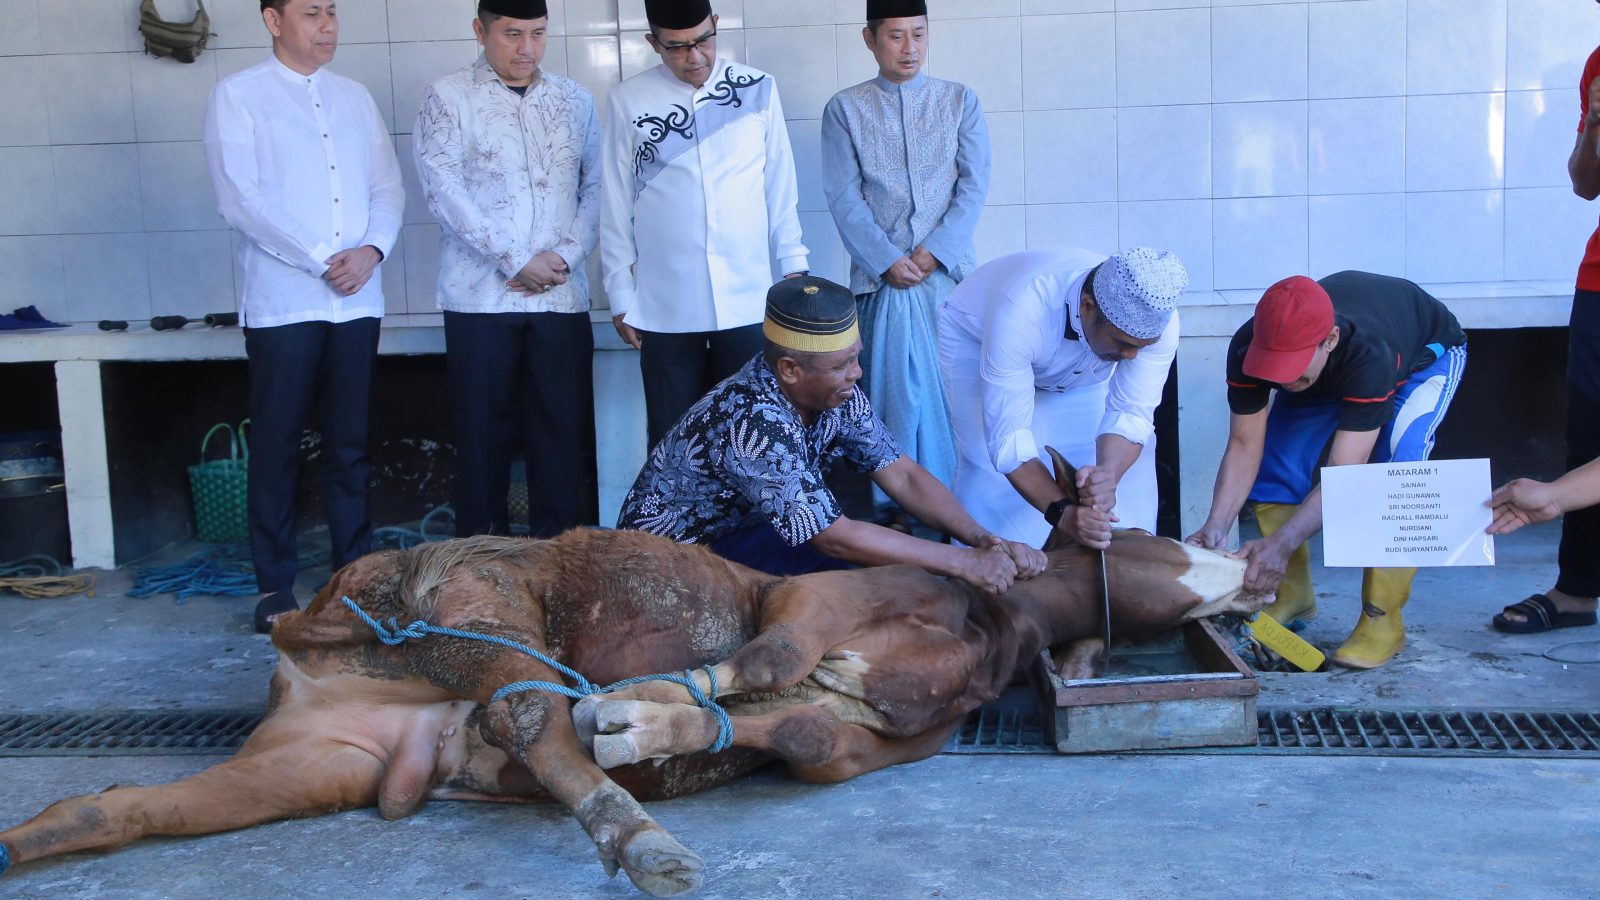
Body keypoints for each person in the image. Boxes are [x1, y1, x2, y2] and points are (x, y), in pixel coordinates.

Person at [617, 276, 1045, 595]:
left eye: (855, 359)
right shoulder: (754, 422)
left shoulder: (839, 394)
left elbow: (904, 475)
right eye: (841, 366)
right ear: (790, 369)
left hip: (749, 533)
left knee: (885, 581)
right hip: (672, 564)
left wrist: (984, 539)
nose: (856, 374)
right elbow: (833, 536)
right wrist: (962, 563)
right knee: (858, 594)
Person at [203, 0, 404, 633]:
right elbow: (241, 199)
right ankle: (274, 586)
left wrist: (371, 250)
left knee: (349, 445)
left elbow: (387, 187)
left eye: (333, 13)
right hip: (284, 301)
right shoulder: (239, 96)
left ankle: (355, 579)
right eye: (312, 13)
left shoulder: (354, 97)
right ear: (272, 20)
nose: (328, 26)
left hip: (356, 298)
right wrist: (323, 259)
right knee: (278, 441)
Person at [1186, 272, 1467, 669]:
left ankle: (1382, 621)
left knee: (1396, 479)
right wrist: (1216, 527)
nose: (1282, 379)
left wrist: (1279, 546)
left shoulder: (1370, 353)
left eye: (1293, 366)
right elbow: (1245, 444)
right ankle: (1288, 596)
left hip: (1422, 357)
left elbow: (1345, 474)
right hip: (1331, 371)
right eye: (1274, 366)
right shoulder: (1250, 348)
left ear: (1330, 339)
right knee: (1276, 464)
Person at [414, 0, 601, 538]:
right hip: (480, 301)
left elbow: (597, 189)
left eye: (538, 34)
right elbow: (442, 190)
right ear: (481, 31)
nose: (527, 49)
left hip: (561, 299)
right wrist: (515, 259)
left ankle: (560, 563)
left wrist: (564, 256)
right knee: (481, 436)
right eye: (512, 34)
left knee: (561, 435)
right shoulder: (447, 97)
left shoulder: (574, 100)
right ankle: (482, 570)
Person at [599, 0, 810, 449]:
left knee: (752, 436)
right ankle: (669, 524)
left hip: (747, 298)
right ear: (652, 43)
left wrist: (794, 265)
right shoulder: (627, 100)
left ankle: (746, 523)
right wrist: (620, 292)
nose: (695, 58)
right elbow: (615, 202)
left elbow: (780, 184)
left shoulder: (757, 88)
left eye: (703, 41)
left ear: (716, 25)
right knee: (673, 442)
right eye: (676, 48)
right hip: (664, 304)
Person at [821, 0, 989, 519]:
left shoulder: (959, 100)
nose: (909, 47)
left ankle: (960, 520)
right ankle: (896, 521)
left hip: (950, 282)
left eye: (918, 34)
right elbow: (843, 197)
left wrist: (934, 252)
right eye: (896, 36)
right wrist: (887, 259)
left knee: (956, 401)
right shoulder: (844, 109)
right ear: (870, 40)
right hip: (884, 286)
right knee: (896, 400)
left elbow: (974, 185)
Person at [938, 247, 1186, 552]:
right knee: (986, 467)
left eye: (1142, 348)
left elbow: (1131, 414)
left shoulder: (1160, 321)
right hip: (975, 339)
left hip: (1080, 359)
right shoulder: (1022, 311)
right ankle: (991, 581)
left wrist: (1107, 477)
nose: (1131, 357)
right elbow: (1008, 441)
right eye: (1123, 343)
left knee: (1118, 464)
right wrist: (1064, 516)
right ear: (1087, 306)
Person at [1493, 48, 1600, 634]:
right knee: (1588, 437)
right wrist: (1597, 124)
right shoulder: (1598, 64)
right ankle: (1578, 591)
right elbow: (1586, 185)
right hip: (1599, 278)